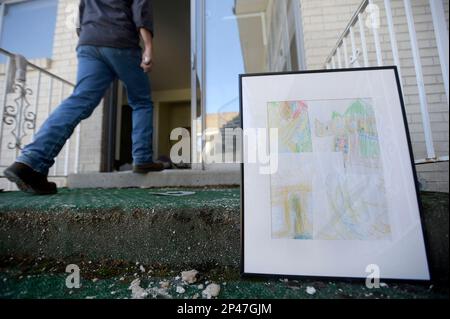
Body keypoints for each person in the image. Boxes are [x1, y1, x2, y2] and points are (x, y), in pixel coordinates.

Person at [4, 0, 164, 195]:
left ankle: (29, 163)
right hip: (120, 40)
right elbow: (141, 9)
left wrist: (91, 39)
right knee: (141, 101)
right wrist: (148, 47)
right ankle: (142, 159)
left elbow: (81, 14)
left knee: (79, 100)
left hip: (89, 41)